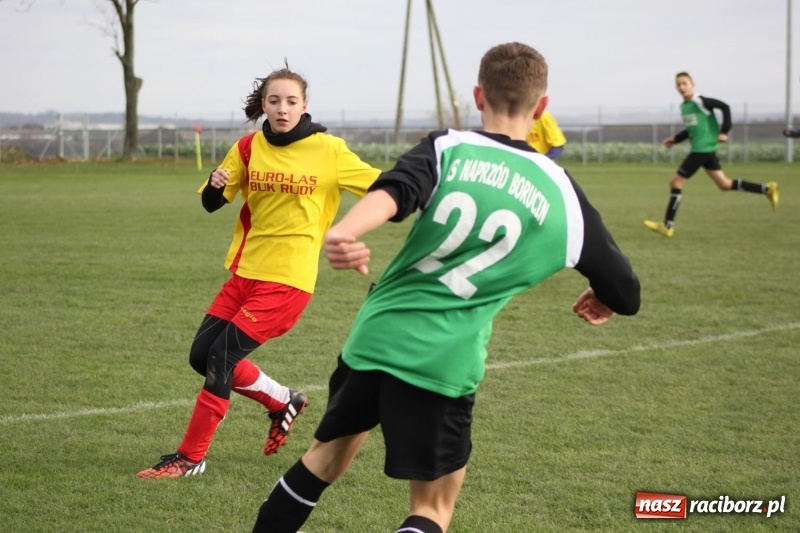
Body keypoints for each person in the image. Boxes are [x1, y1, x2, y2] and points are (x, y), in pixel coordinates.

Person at [251, 42, 641, 533]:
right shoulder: (561, 191)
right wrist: (604, 295)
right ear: (541, 108)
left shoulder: (448, 146)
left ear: (478, 96)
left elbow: (397, 189)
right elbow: (627, 292)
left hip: (376, 337)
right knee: (431, 509)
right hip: (444, 359)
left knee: (322, 461)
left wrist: (347, 230)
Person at [136, 62, 381, 479]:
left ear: (305, 105)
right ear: (264, 105)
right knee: (202, 356)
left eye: (291, 101)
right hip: (245, 273)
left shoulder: (330, 151)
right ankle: (282, 400)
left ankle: (190, 457)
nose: (282, 108)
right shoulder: (248, 147)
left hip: (288, 281)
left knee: (221, 354)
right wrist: (214, 187)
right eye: (274, 101)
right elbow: (214, 203)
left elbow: (384, 186)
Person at [644, 72, 779, 238]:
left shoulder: (700, 101)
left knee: (676, 182)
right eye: (678, 84)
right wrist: (675, 139)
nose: (682, 87)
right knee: (724, 184)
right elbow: (692, 129)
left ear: (693, 84)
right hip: (704, 149)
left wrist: (725, 131)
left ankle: (667, 226)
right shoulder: (684, 106)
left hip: (702, 149)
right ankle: (767, 189)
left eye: (685, 83)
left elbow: (725, 107)